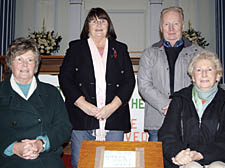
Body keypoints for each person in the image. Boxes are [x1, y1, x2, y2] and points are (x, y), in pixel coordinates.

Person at [58, 7, 135, 168]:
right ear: (87, 26)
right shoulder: (75, 48)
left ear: (109, 25)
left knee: (114, 165)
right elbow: (65, 78)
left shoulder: (120, 49)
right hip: (81, 117)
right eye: (93, 21)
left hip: (114, 117)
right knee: (82, 163)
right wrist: (83, 105)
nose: (98, 24)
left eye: (103, 20)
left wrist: (112, 107)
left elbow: (129, 81)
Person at [0, 37, 72, 168]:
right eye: (19, 59)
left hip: (47, 158)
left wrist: (41, 144)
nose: (25, 65)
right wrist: (14, 148)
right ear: (10, 64)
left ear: (36, 65)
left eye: (30, 60)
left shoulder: (51, 93)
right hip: (10, 160)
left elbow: (64, 127)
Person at [137, 6, 203, 141]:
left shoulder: (198, 53)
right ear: (161, 27)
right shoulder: (149, 53)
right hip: (157, 122)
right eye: (167, 24)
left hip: (188, 121)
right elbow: (144, 85)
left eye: (175, 24)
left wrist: (180, 107)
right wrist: (168, 106)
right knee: (156, 162)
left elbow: (202, 84)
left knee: (187, 162)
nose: (171, 29)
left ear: (182, 25)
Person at [158, 51, 225, 168]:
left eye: (209, 69)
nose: (204, 74)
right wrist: (178, 154)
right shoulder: (179, 100)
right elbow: (167, 135)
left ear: (218, 75)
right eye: (198, 70)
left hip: (218, 159)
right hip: (185, 160)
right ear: (193, 76)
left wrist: (199, 154)